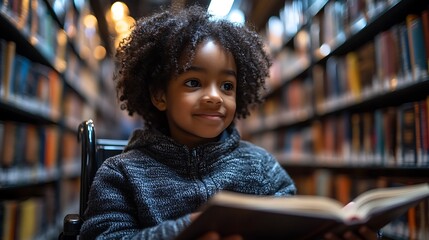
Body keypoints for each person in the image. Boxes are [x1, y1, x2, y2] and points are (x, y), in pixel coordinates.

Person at [80, 5, 378, 240]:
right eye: (194, 82)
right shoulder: (121, 174)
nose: (214, 97)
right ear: (160, 95)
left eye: (227, 86)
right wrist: (184, 230)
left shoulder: (261, 167)